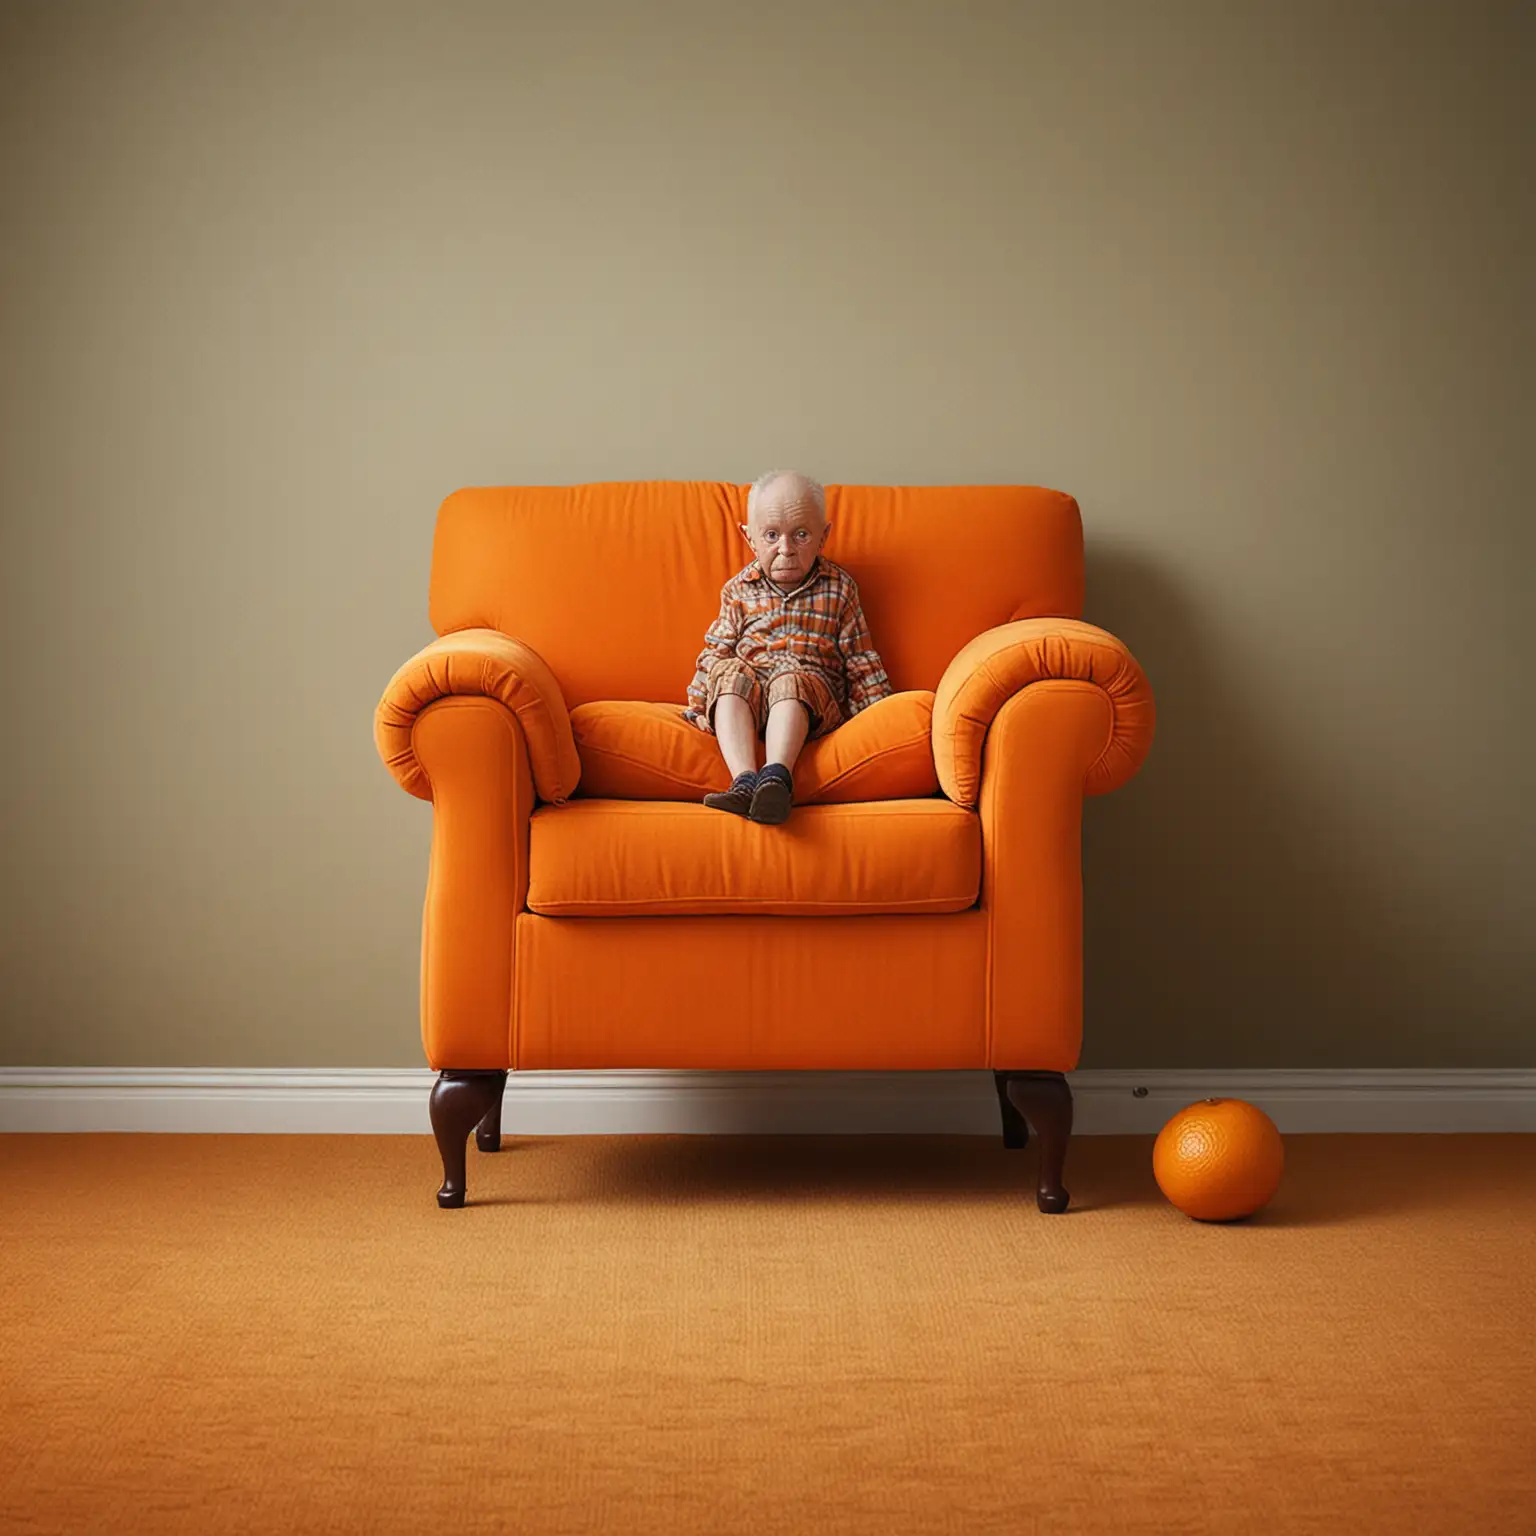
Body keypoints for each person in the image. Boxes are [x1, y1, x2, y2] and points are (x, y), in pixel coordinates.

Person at [682, 470, 892, 824]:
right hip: (751, 700)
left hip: (807, 701)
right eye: (771, 536)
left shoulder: (839, 589)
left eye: (801, 535)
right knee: (729, 671)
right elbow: (716, 649)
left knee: (790, 678)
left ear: (823, 536)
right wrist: (700, 705)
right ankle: (745, 782)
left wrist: (880, 715)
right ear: (750, 539)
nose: (786, 549)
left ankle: (776, 777)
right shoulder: (738, 590)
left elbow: (860, 658)